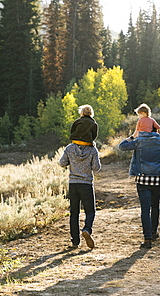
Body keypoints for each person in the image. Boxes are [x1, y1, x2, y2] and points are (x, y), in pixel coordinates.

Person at [119, 127, 160, 249]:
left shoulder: (138, 141)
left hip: (142, 180)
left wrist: (132, 136)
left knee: (145, 209)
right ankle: (153, 233)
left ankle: (147, 239)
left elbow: (122, 146)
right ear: (156, 130)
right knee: (155, 206)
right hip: (158, 180)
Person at [59, 105, 101, 250]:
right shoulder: (92, 149)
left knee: (74, 213)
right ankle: (87, 230)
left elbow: (61, 163)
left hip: (73, 184)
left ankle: (75, 242)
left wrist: (73, 161)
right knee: (90, 211)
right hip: (86, 184)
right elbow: (97, 168)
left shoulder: (70, 148)